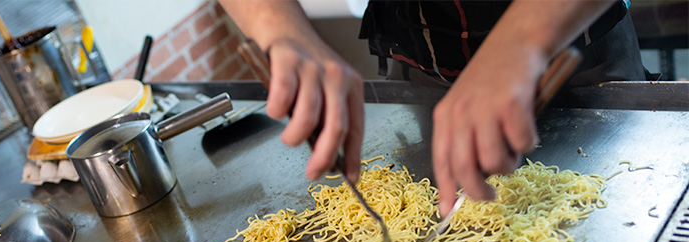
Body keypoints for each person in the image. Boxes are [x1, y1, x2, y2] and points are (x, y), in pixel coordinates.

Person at [218, 0, 647, 215]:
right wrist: (280, 29)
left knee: (600, 209)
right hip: (420, 65)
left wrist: (522, 39)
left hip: (573, 53)